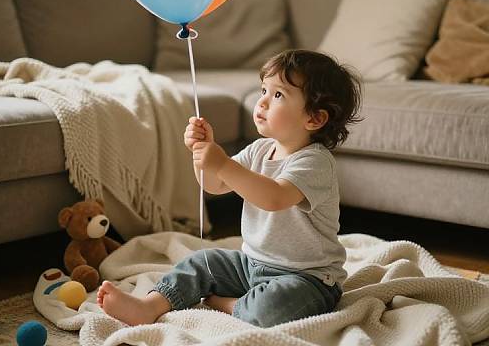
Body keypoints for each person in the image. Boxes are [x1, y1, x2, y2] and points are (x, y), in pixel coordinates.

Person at [97, 49, 363, 327]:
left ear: (314, 119)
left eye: (278, 95)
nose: (261, 102)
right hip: (251, 265)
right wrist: (202, 154)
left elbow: (275, 197)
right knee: (201, 261)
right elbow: (214, 184)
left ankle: (229, 305)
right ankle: (149, 306)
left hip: (307, 278)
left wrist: (222, 163)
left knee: (272, 308)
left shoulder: (315, 162)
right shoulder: (260, 149)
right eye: (263, 90)